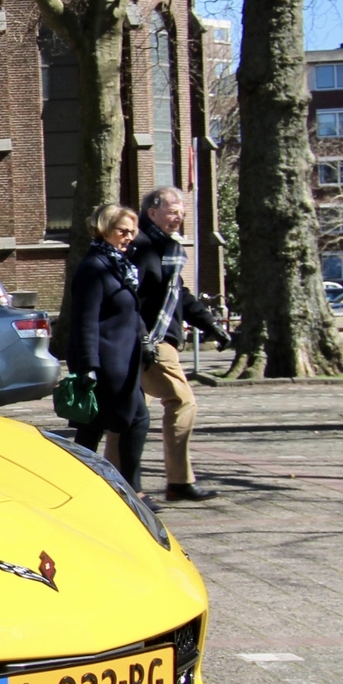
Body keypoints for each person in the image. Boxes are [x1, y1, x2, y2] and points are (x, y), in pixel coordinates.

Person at [127, 185, 232, 501]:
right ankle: (177, 482)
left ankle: (125, 486)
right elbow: (128, 298)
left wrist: (210, 325)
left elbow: (179, 294)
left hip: (151, 340)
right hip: (151, 341)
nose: (180, 216)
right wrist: (143, 336)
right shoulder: (143, 247)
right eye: (173, 210)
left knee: (132, 414)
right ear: (152, 212)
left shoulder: (166, 250)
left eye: (182, 211)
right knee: (181, 401)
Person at [67, 203, 153, 487]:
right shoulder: (94, 267)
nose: (129, 237)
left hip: (125, 358)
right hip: (107, 362)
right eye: (123, 231)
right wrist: (88, 365)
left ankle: (79, 483)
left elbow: (130, 309)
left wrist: (145, 339)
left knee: (94, 427)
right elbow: (85, 319)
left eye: (132, 232)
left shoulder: (120, 265)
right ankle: (131, 489)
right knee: (133, 419)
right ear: (105, 229)